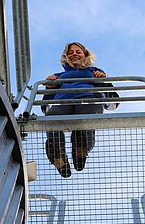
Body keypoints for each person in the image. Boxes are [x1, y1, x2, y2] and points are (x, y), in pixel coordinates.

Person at [44, 42, 106, 178]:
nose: (74, 54)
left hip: (87, 98)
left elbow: (107, 88)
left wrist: (102, 80)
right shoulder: (59, 75)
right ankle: (58, 155)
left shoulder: (92, 71)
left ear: (85, 55)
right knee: (52, 117)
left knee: (86, 121)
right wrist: (50, 86)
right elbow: (45, 101)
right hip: (63, 101)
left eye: (78, 52)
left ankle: (82, 147)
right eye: (70, 52)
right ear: (66, 57)